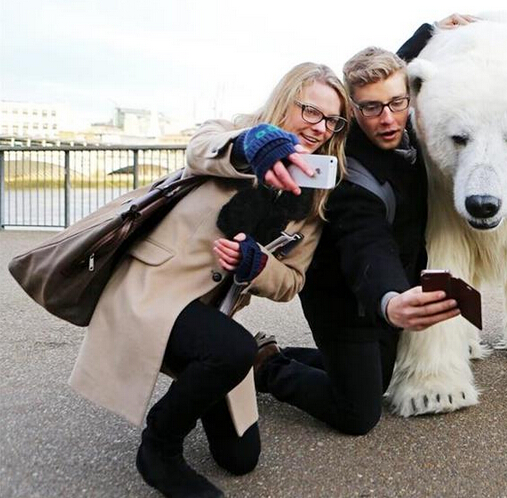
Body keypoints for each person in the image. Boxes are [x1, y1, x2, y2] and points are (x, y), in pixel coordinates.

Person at [69, 62, 349, 498]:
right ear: (285, 98)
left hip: (211, 313)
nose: (320, 129)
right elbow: (201, 147)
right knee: (233, 348)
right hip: (154, 289)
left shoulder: (314, 192)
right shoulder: (237, 132)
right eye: (311, 112)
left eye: (332, 120)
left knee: (240, 459)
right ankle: (159, 448)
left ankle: (210, 373)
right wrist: (254, 146)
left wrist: (256, 266)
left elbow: (292, 281)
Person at [251, 14, 478, 435]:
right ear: (352, 109)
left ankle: (281, 354)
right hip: (345, 296)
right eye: (371, 108)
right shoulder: (351, 172)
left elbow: (395, 69)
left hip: (388, 283)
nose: (388, 118)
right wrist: (392, 299)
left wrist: (430, 30)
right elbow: (365, 241)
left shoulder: (401, 109)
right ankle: (265, 367)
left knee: (381, 376)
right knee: (359, 413)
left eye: (396, 103)